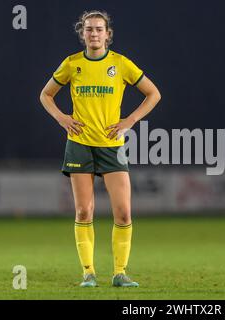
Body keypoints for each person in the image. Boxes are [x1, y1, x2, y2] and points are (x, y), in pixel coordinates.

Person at [39, 10, 161, 287]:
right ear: (82, 34)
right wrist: (61, 118)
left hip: (112, 146)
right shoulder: (72, 64)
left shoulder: (120, 64)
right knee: (84, 212)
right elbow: (45, 94)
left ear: (108, 34)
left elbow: (154, 93)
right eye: (89, 29)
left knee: (124, 213)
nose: (94, 34)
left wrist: (130, 120)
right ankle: (88, 273)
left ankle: (120, 273)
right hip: (80, 144)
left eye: (99, 29)